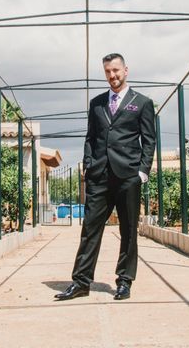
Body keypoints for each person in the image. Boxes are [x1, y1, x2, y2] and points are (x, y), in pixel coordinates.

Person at [55, 53, 156, 301]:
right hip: (99, 176)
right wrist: (88, 164)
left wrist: (142, 172)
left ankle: (124, 281)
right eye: (108, 72)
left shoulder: (142, 102)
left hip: (127, 176)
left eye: (116, 71)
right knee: (90, 229)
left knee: (128, 230)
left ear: (126, 71)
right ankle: (80, 282)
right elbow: (90, 137)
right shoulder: (97, 103)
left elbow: (149, 140)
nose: (112, 76)